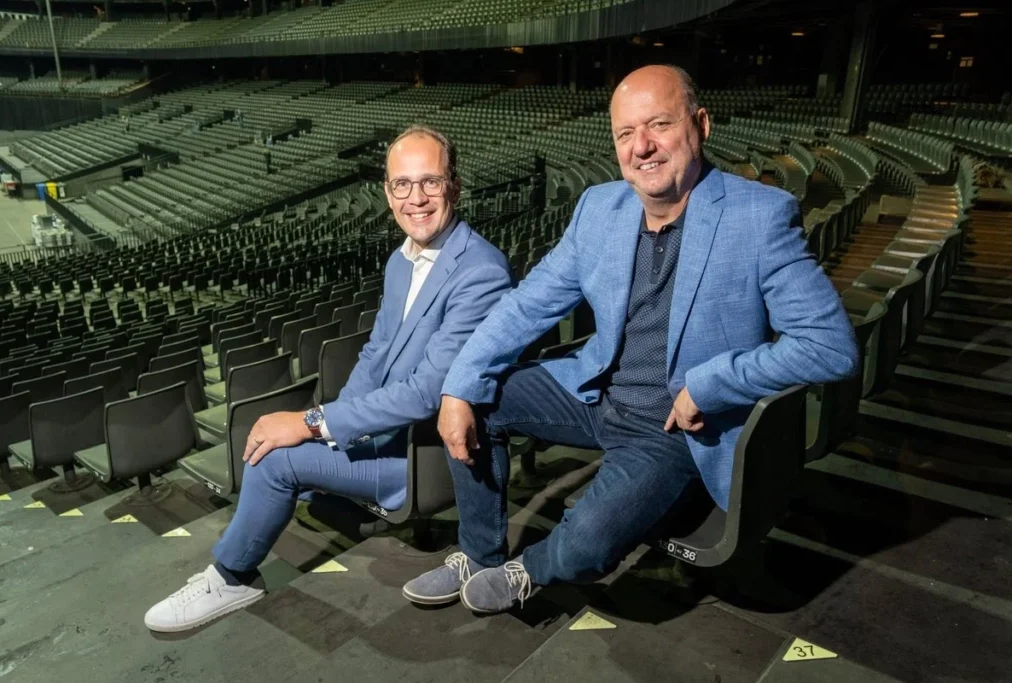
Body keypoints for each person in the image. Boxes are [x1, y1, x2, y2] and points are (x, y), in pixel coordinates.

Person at [402, 65, 859, 613]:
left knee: (589, 542)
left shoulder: (759, 218)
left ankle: (533, 568)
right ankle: (479, 554)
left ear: (701, 125)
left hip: (674, 427)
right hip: (596, 394)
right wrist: (459, 386)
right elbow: (526, 305)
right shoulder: (599, 208)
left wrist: (711, 384)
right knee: (479, 396)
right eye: (625, 133)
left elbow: (830, 344)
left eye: (659, 124)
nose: (641, 146)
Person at [144, 125, 512, 632]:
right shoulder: (400, 261)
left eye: (430, 182)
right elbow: (376, 352)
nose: (416, 198)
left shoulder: (480, 271)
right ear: (386, 191)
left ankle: (232, 578)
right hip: (382, 438)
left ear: (455, 185)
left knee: (275, 458)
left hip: (419, 457)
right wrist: (339, 430)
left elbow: (429, 393)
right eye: (402, 184)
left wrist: (314, 422)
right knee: (279, 431)